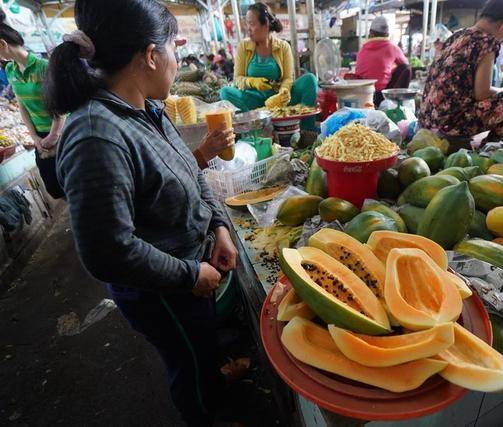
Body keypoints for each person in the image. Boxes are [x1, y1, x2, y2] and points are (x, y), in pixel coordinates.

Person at [43, 1, 238, 425]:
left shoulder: (146, 108)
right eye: (173, 48)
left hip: (191, 265)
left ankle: (214, 379)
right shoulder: (96, 134)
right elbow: (107, 251)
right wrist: (191, 274)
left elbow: (188, 169)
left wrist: (219, 226)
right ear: (151, 56)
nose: (178, 60)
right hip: (162, 291)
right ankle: (207, 413)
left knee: (201, 345)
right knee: (188, 362)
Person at [418, 0, 503, 141]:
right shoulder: (486, 41)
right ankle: (491, 149)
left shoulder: (458, 35)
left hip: (427, 122)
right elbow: (482, 93)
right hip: (449, 127)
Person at [219, 2, 318, 129]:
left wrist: (284, 91)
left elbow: (288, 78)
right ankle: (255, 128)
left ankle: (306, 132)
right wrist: (253, 82)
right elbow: (237, 79)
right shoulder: (243, 47)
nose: (248, 28)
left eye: (252, 24)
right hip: (254, 100)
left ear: (265, 24)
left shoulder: (283, 47)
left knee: (309, 80)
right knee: (225, 92)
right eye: (247, 23)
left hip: (279, 99)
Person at [0, 10, 65, 199]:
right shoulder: (11, 69)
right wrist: (35, 137)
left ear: (2, 44)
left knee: (71, 181)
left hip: (60, 133)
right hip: (40, 137)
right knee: (54, 188)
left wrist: (53, 135)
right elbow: (22, 106)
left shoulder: (44, 67)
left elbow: (60, 107)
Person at [355, 16, 410, 108]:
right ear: (387, 34)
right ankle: (397, 101)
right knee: (405, 68)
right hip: (381, 95)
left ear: (371, 33)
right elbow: (405, 64)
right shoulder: (391, 47)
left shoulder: (363, 48)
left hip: (363, 93)